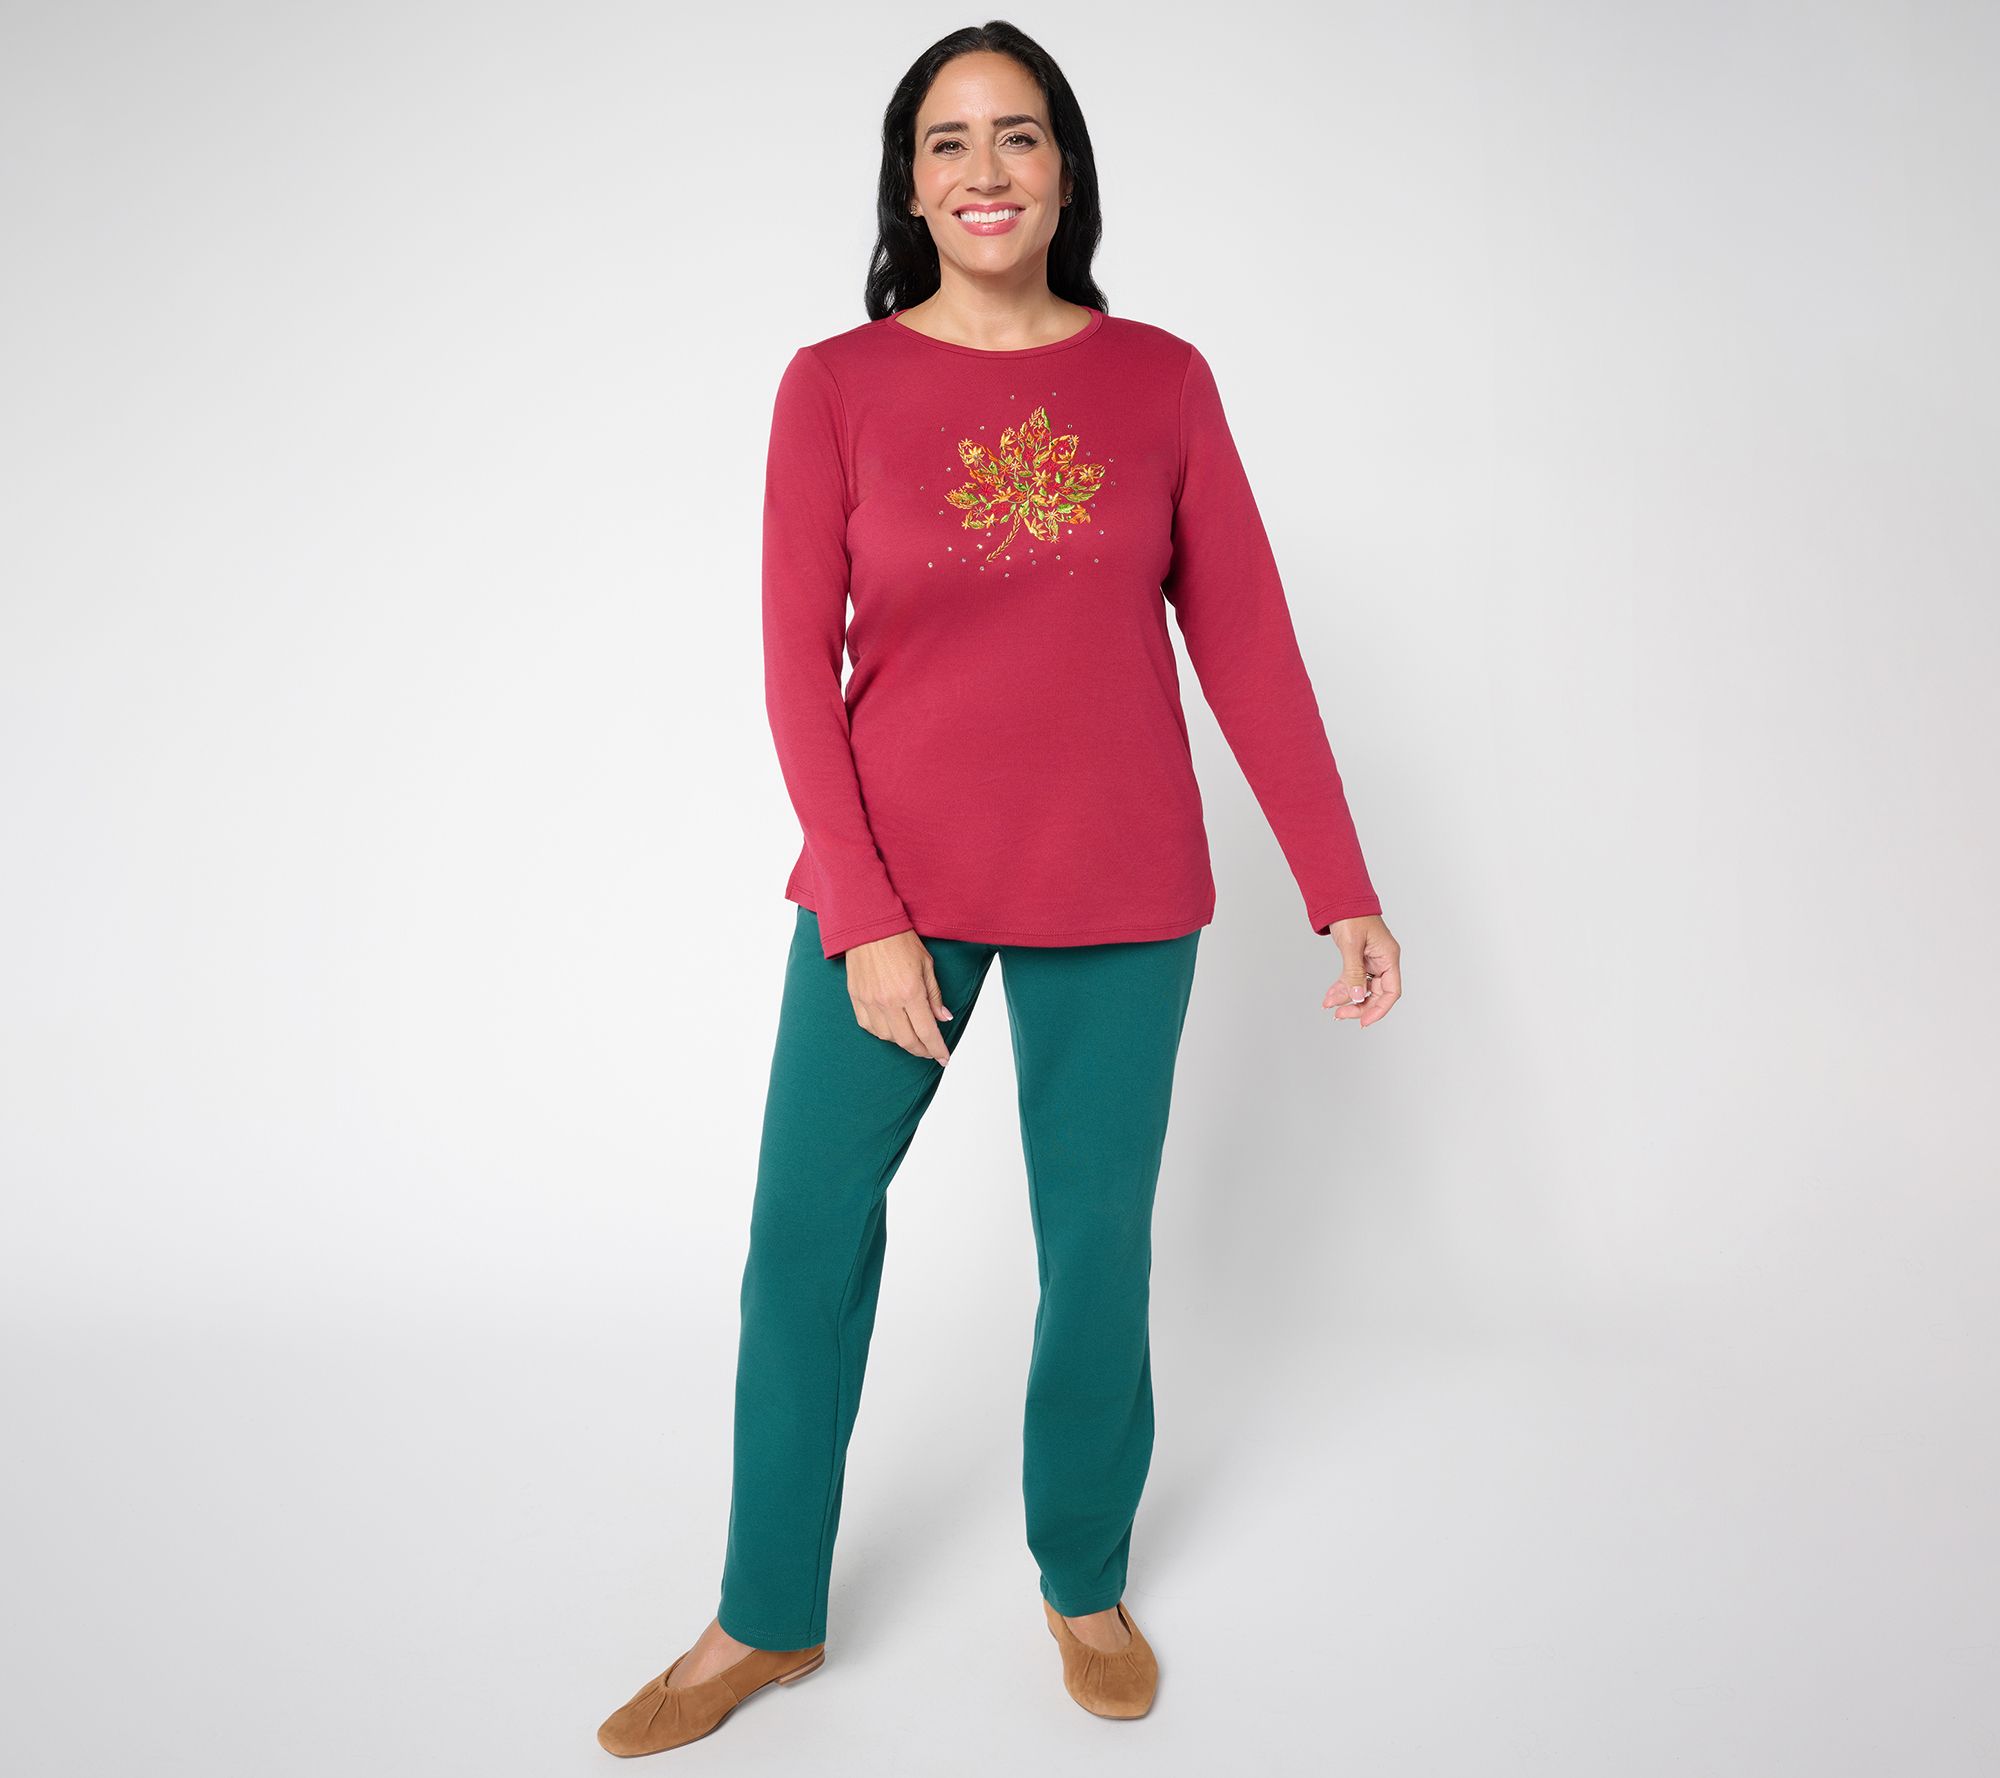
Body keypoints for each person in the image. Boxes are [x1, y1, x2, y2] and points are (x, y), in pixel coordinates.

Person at [597, 19, 1402, 1758]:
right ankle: (765, 1611)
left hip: (1122, 877)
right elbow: (794, 673)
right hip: (892, 881)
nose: (985, 170)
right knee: (803, 1236)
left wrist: (1339, 882)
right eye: (949, 141)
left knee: (1096, 1244)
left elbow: (1251, 644)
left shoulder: (1162, 381)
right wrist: (868, 914)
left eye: (1018, 135)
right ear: (909, 183)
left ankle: (1084, 1575)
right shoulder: (833, 385)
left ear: (1065, 170)